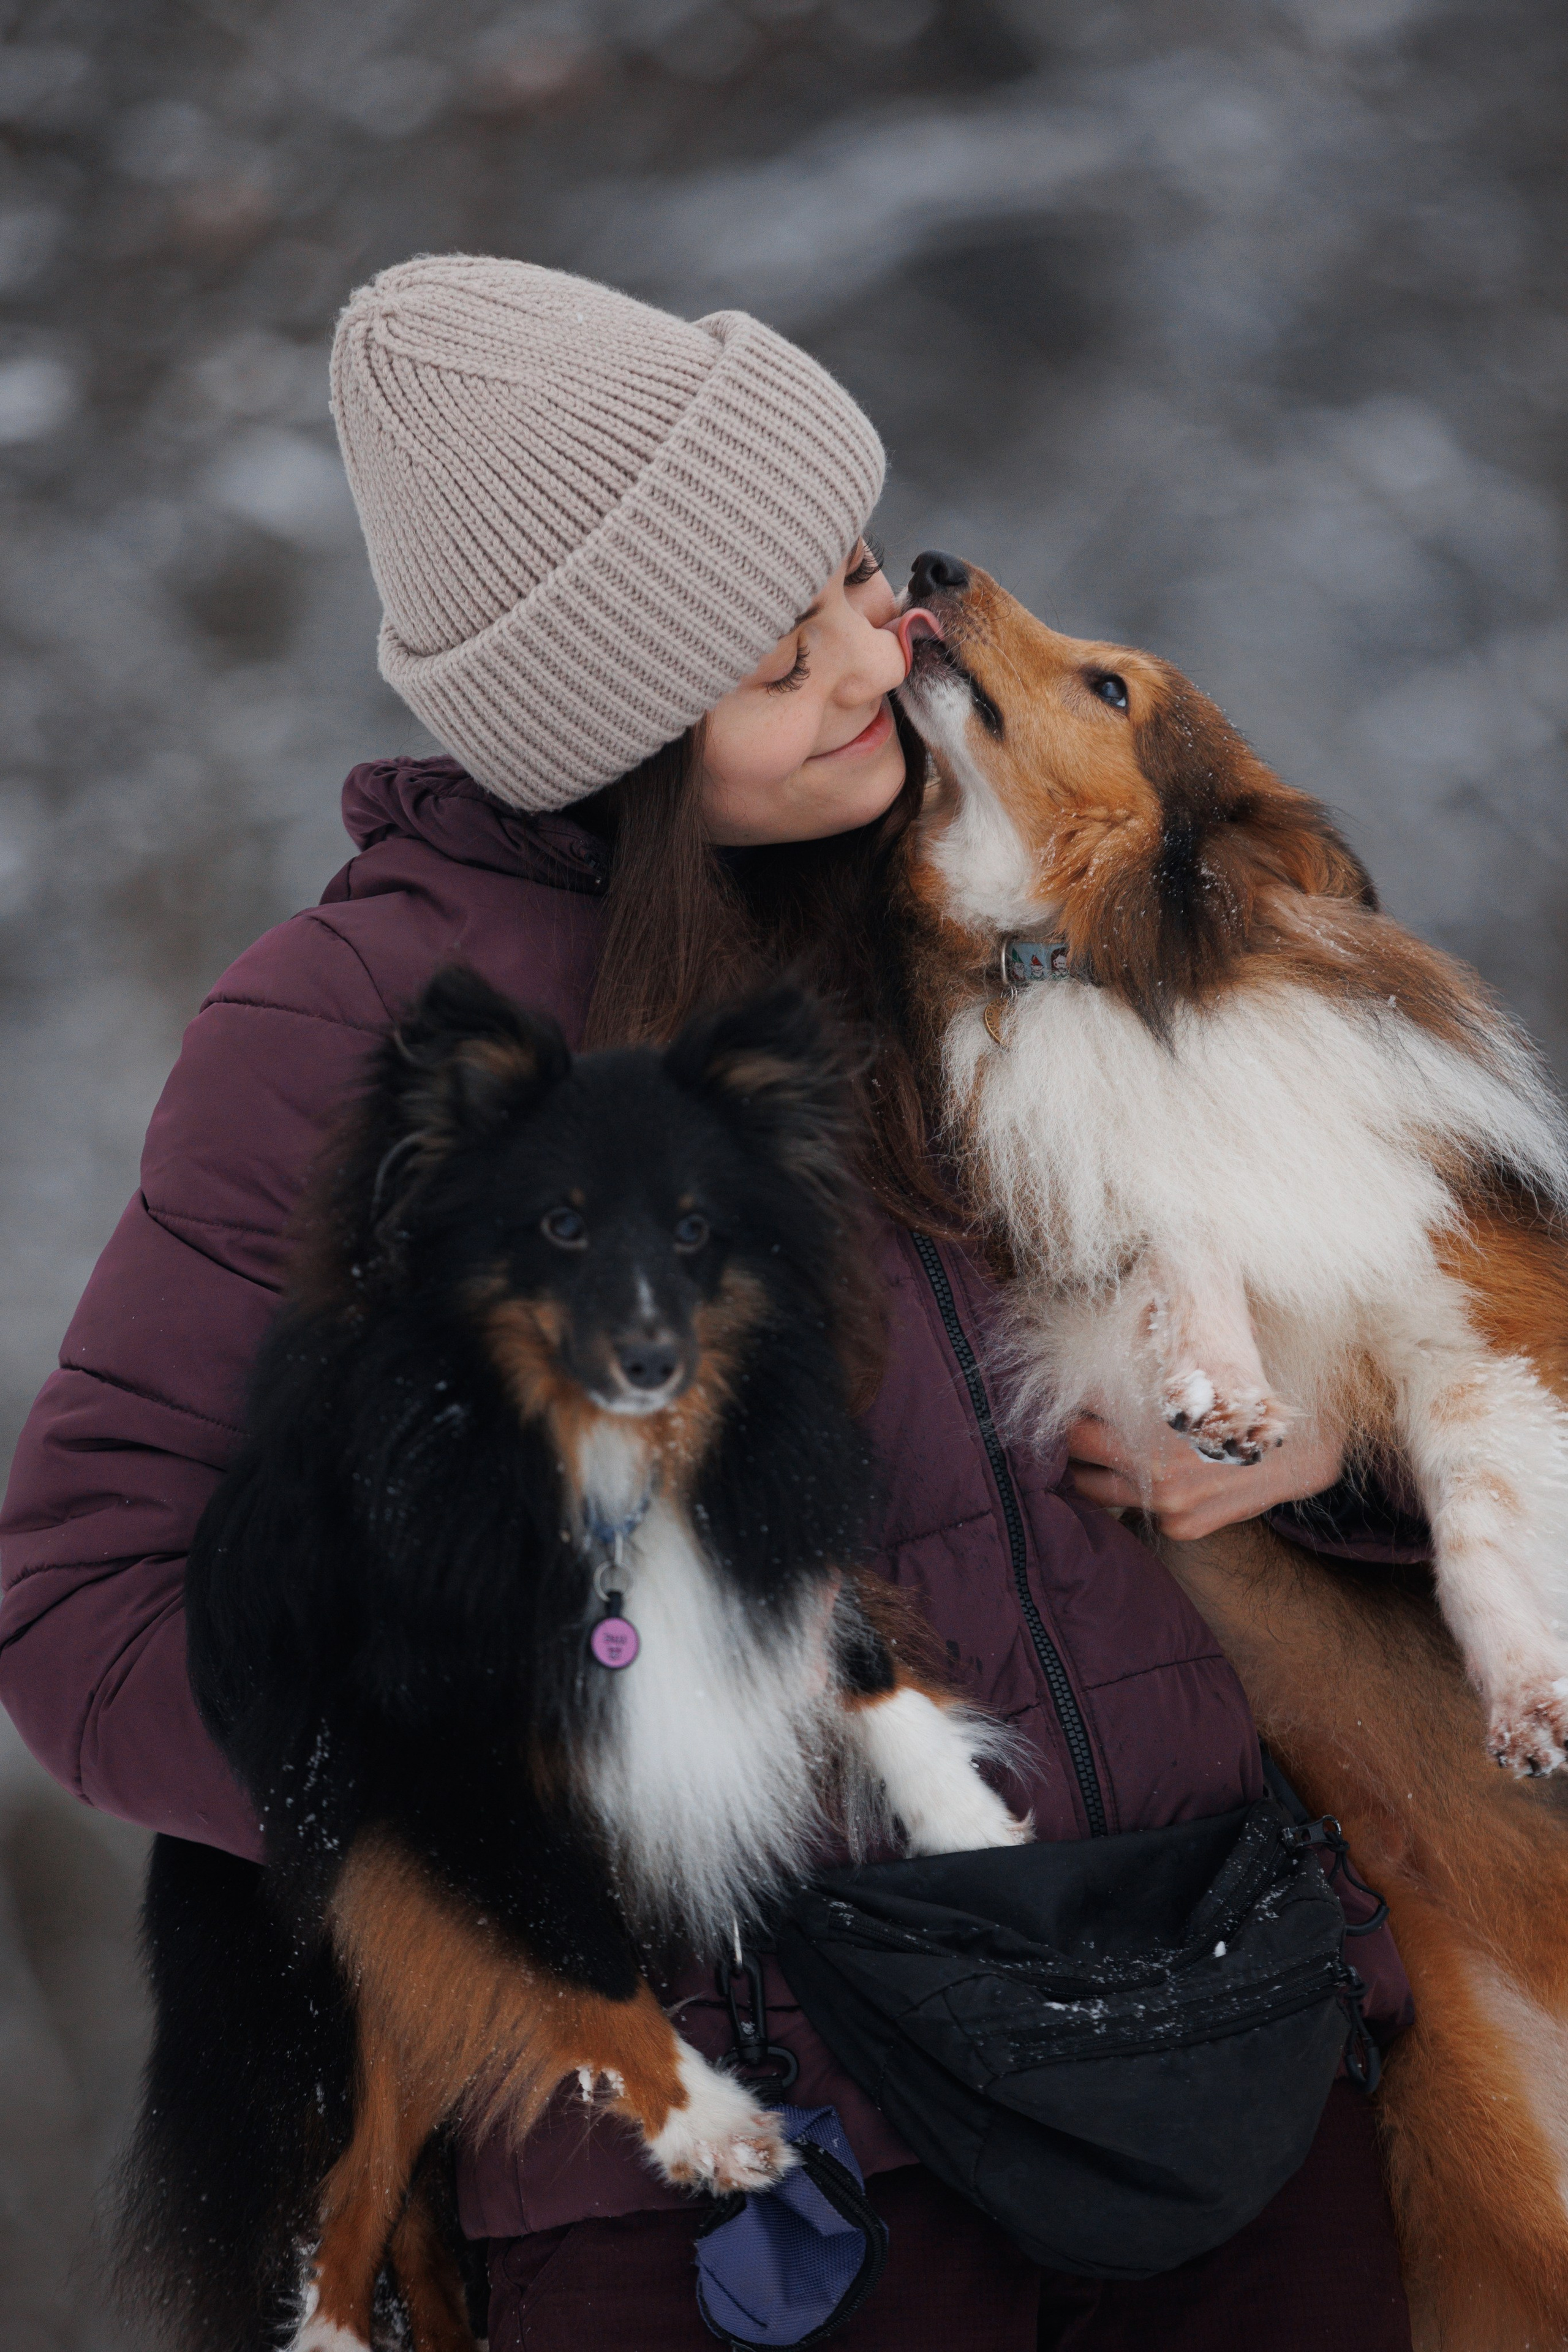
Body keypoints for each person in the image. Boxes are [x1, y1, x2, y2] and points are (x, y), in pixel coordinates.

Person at [0, 256, 1414, 2350]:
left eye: (851, 576)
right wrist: (522, 1763)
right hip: (763, 2183)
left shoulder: (1005, 884)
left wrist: (1330, 1440)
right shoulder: (365, 1026)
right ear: (623, 731)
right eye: (776, 657)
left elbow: (1420, 1306)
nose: (876, 655)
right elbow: (80, 1608)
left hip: (1226, 2072)